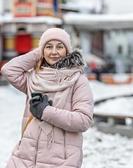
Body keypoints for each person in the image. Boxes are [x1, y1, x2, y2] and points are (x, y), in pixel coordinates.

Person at [1, 27, 94, 168]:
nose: (54, 51)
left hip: (61, 160)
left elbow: (83, 121)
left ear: (67, 51)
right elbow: (9, 70)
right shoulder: (34, 79)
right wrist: (39, 53)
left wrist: (46, 111)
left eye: (60, 47)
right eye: (49, 47)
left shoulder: (78, 81)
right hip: (26, 156)